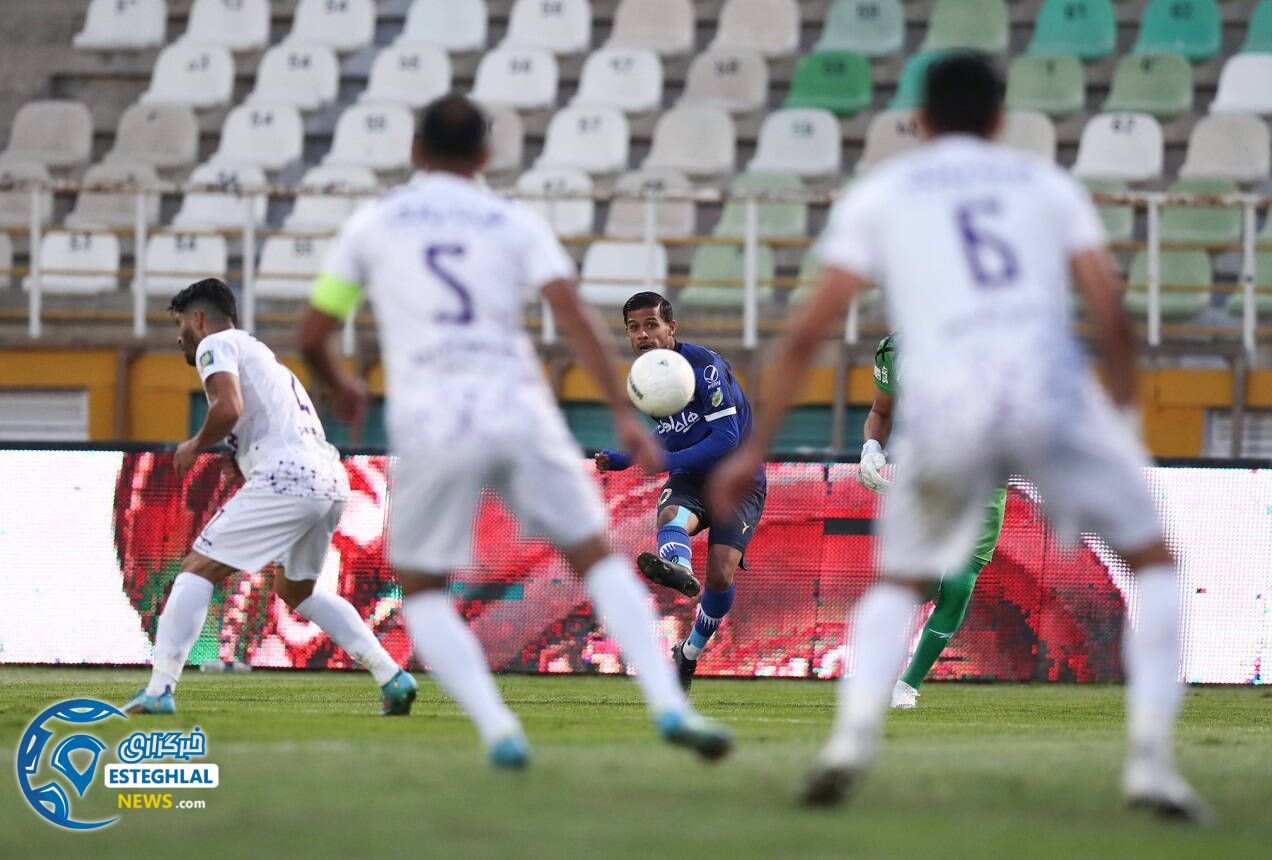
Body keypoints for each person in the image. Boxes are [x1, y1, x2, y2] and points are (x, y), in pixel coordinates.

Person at [708, 55, 1210, 820]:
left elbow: (807, 330)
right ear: (1000, 119)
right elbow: (1109, 311)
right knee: (1154, 564)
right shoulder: (1044, 185)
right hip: (1049, 391)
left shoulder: (885, 193)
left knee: (897, 580)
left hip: (948, 405)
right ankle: (1149, 765)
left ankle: (849, 744)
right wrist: (1119, 421)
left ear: (921, 120)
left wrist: (752, 450)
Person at [297, 94, 731, 768]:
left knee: (423, 589)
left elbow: (313, 333)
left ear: (416, 151)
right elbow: (575, 317)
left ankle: (499, 728)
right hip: (518, 407)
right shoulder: (511, 220)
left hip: (434, 419)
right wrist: (623, 414)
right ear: (485, 155)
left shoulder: (373, 224)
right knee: (594, 558)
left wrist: (342, 382)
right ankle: (669, 705)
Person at [125, 278, 417, 716]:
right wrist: (242, 457)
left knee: (196, 569)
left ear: (199, 319)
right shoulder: (264, 358)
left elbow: (228, 408)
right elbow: (268, 426)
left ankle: (159, 689)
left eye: (181, 324)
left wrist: (195, 445)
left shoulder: (215, 345)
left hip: (291, 476)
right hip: (329, 478)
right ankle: (391, 676)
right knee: (297, 589)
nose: (180, 336)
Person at [595, 292, 765, 691]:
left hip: (737, 478)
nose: (642, 334)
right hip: (691, 475)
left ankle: (688, 652)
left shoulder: (704, 367)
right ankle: (681, 569)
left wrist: (662, 462)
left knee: (720, 576)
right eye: (633, 328)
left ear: (670, 327)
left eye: (650, 325)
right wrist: (625, 459)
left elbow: (726, 438)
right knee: (672, 515)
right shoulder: (647, 375)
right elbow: (673, 431)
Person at [861, 333, 1007, 709]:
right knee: (921, 582)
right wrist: (872, 448)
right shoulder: (893, 350)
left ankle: (907, 685)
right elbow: (882, 411)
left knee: (958, 584)